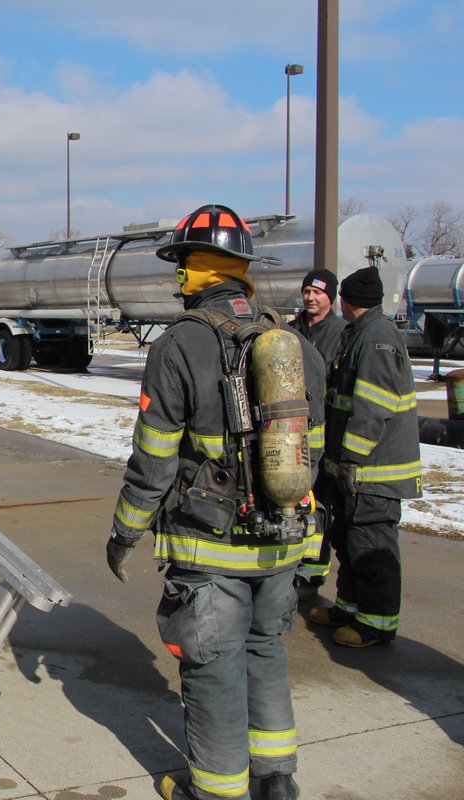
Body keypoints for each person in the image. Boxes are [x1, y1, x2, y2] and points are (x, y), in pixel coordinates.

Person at [105, 205, 325, 800]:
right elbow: (315, 453)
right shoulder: (294, 344)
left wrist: (125, 533)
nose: (177, 280)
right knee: (265, 651)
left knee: (214, 670)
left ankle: (216, 792)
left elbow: (154, 457)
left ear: (197, 271)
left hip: (211, 548)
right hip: (282, 541)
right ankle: (277, 780)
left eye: (181, 266)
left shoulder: (181, 344)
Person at [309, 266, 421, 647]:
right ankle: (350, 607)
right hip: (354, 470)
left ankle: (377, 623)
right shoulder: (359, 334)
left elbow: (373, 407)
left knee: (373, 547)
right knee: (350, 540)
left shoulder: (376, 340)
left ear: (346, 300)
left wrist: (352, 458)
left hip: (374, 471)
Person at [289, 268, 348, 599]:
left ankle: (310, 572)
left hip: (322, 434)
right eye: (307, 291)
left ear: (331, 297)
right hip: (289, 432)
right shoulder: (292, 329)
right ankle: (287, 564)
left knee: (319, 503)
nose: (311, 298)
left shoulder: (340, 333)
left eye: (318, 292)